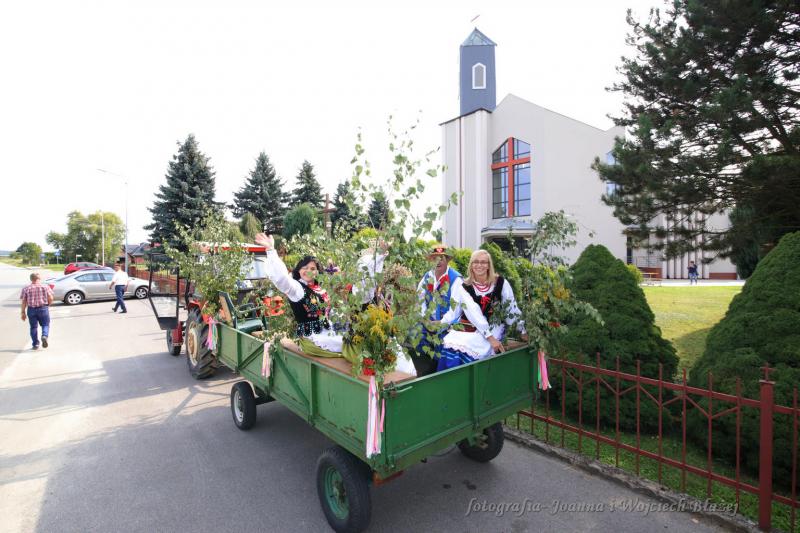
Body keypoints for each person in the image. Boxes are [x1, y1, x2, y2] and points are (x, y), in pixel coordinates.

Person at [437, 249, 527, 371]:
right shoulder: (464, 286)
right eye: (476, 262)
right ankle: (454, 380)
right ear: (471, 265)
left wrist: (522, 329)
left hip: (493, 327)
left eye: (483, 262)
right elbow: (466, 313)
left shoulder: (500, 283)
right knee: (451, 346)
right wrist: (438, 324)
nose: (479, 265)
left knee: (476, 348)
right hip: (473, 327)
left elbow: (511, 308)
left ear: (489, 265)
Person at [411, 245, 462, 375]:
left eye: (441, 258)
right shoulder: (427, 276)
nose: (438, 261)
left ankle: (439, 374)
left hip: (447, 324)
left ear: (447, 260)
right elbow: (419, 300)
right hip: (428, 321)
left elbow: (455, 310)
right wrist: (425, 319)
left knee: (444, 346)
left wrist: (440, 323)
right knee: (414, 335)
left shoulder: (456, 279)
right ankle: (425, 372)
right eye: (435, 258)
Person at [20, 272, 54, 350]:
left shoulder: (26, 288)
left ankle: (35, 344)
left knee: (33, 327)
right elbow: (51, 298)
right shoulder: (45, 287)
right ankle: (44, 336)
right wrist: (48, 305)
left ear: (31, 279)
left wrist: (23, 312)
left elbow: (24, 301)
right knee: (45, 324)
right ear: (39, 278)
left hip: (31, 310)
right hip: (43, 308)